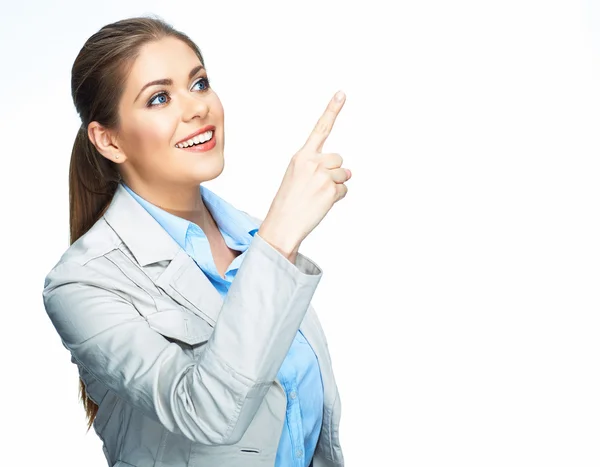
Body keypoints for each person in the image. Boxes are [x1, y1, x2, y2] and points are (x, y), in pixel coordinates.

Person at [42, 15, 351, 467]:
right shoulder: (80, 284)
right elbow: (207, 413)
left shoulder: (253, 237)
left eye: (200, 83)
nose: (196, 108)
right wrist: (280, 238)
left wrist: (273, 240)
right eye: (160, 98)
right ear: (108, 140)